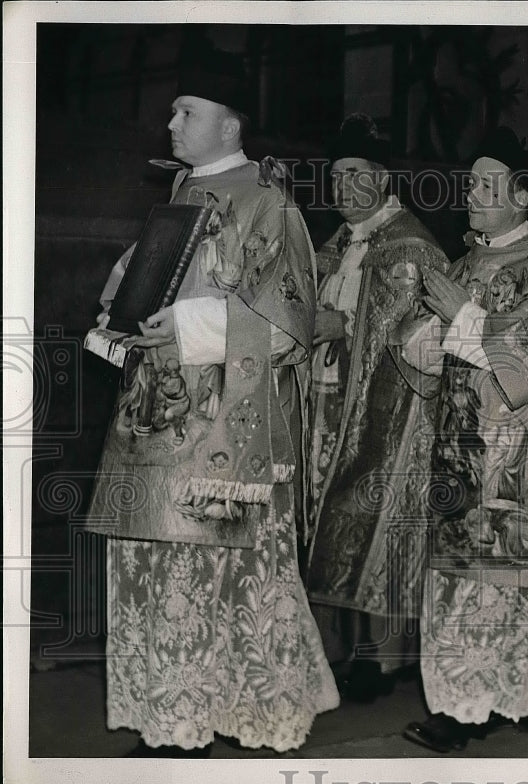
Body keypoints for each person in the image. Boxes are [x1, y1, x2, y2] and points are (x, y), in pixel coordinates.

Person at [85, 46, 339, 756]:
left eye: (185, 111)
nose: (170, 123)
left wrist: (193, 323)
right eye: (172, 110)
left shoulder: (268, 204)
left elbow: (290, 320)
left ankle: (233, 713)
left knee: (211, 574)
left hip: (224, 423)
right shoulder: (176, 200)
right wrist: (119, 324)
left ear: (231, 126)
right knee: (153, 567)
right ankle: (169, 715)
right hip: (155, 412)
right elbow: (132, 287)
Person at [398, 127, 528, 752]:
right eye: (471, 183)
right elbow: (426, 352)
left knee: (502, 575)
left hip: (516, 450)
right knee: (463, 578)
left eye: (486, 185)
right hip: (458, 443)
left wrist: (461, 317)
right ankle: (483, 697)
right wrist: (428, 332)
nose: (471, 194)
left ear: (523, 196)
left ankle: (486, 702)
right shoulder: (466, 260)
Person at [305, 114, 449, 702]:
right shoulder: (335, 244)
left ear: (383, 178)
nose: (341, 188)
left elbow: (423, 331)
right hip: (326, 402)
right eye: (335, 176)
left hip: (390, 414)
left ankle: (384, 658)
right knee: (325, 519)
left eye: (354, 175)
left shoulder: (412, 245)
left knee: (375, 520)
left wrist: (342, 324)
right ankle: (334, 650)